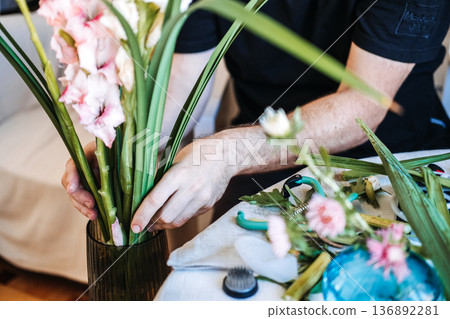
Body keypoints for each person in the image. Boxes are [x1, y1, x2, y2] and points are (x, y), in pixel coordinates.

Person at [62, 0, 450, 235]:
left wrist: (226, 154)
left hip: (395, 156)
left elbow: (360, 110)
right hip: (263, 155)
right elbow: (179, 87)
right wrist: (125, 148)